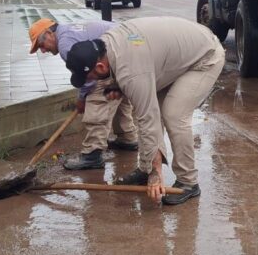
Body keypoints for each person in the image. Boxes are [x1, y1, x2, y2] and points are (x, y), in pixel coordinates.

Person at [65, 17, 225, 205]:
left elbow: (147, 118)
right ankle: (145, 169)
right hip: (175, 58)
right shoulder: (107, 43)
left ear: (100, 66)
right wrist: (117, 85)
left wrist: (156, 173)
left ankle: (188, 182)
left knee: (173, 115)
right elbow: (129, 69)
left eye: (89, 76)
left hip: (205, 58)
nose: (91, 81)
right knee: (150, 107)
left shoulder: (131, 72)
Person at [28, 18, 138, 170]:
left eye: (41, 45)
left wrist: (82, 99)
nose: (43, 50)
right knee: (118, 96)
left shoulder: (66, 45)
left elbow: (88, 78)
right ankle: (127, 138)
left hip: (116, 54)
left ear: (49, 33)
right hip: (129, 49)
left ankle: (92, 154)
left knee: (97, 100)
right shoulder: (69, 29)